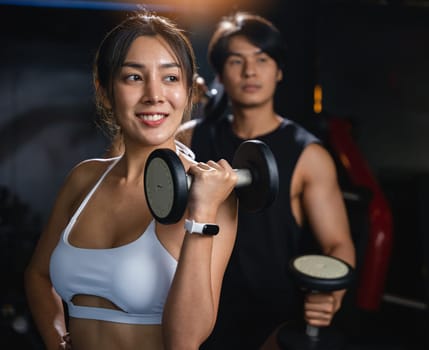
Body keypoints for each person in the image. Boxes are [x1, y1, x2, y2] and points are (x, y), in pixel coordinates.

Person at [24, 10, 239, 350]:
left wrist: (202, 214)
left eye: (170, 78)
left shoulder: (213, 197)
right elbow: (38, 276)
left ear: (187, 91)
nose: (154, 95)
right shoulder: (84, 178)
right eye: (134, 78)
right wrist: (56, 339)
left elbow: (186, 340)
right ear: (106, 91)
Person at [176, 11, 356, 349]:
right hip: (194, 306)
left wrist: (329, 295)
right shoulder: (187, 140)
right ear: (220, 73)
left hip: (273, 316)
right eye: (236, 61)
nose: (250, 71)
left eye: (262, 59)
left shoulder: (309, 155)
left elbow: (337, 244)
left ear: (279, 70)